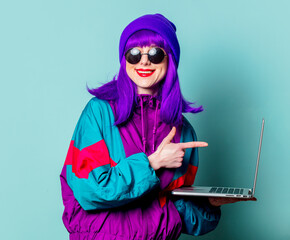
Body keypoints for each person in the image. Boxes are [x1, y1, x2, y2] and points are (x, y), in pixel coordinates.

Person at [60, 14, 254, 240]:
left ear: (169, 61)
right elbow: (89, 190)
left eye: (155, 54)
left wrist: (210, 203)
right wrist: (152, 162)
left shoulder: (183, 131)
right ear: (124, 61)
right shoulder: (99, 113)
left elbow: (175, 209)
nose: (144, 62)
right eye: (134, 54)